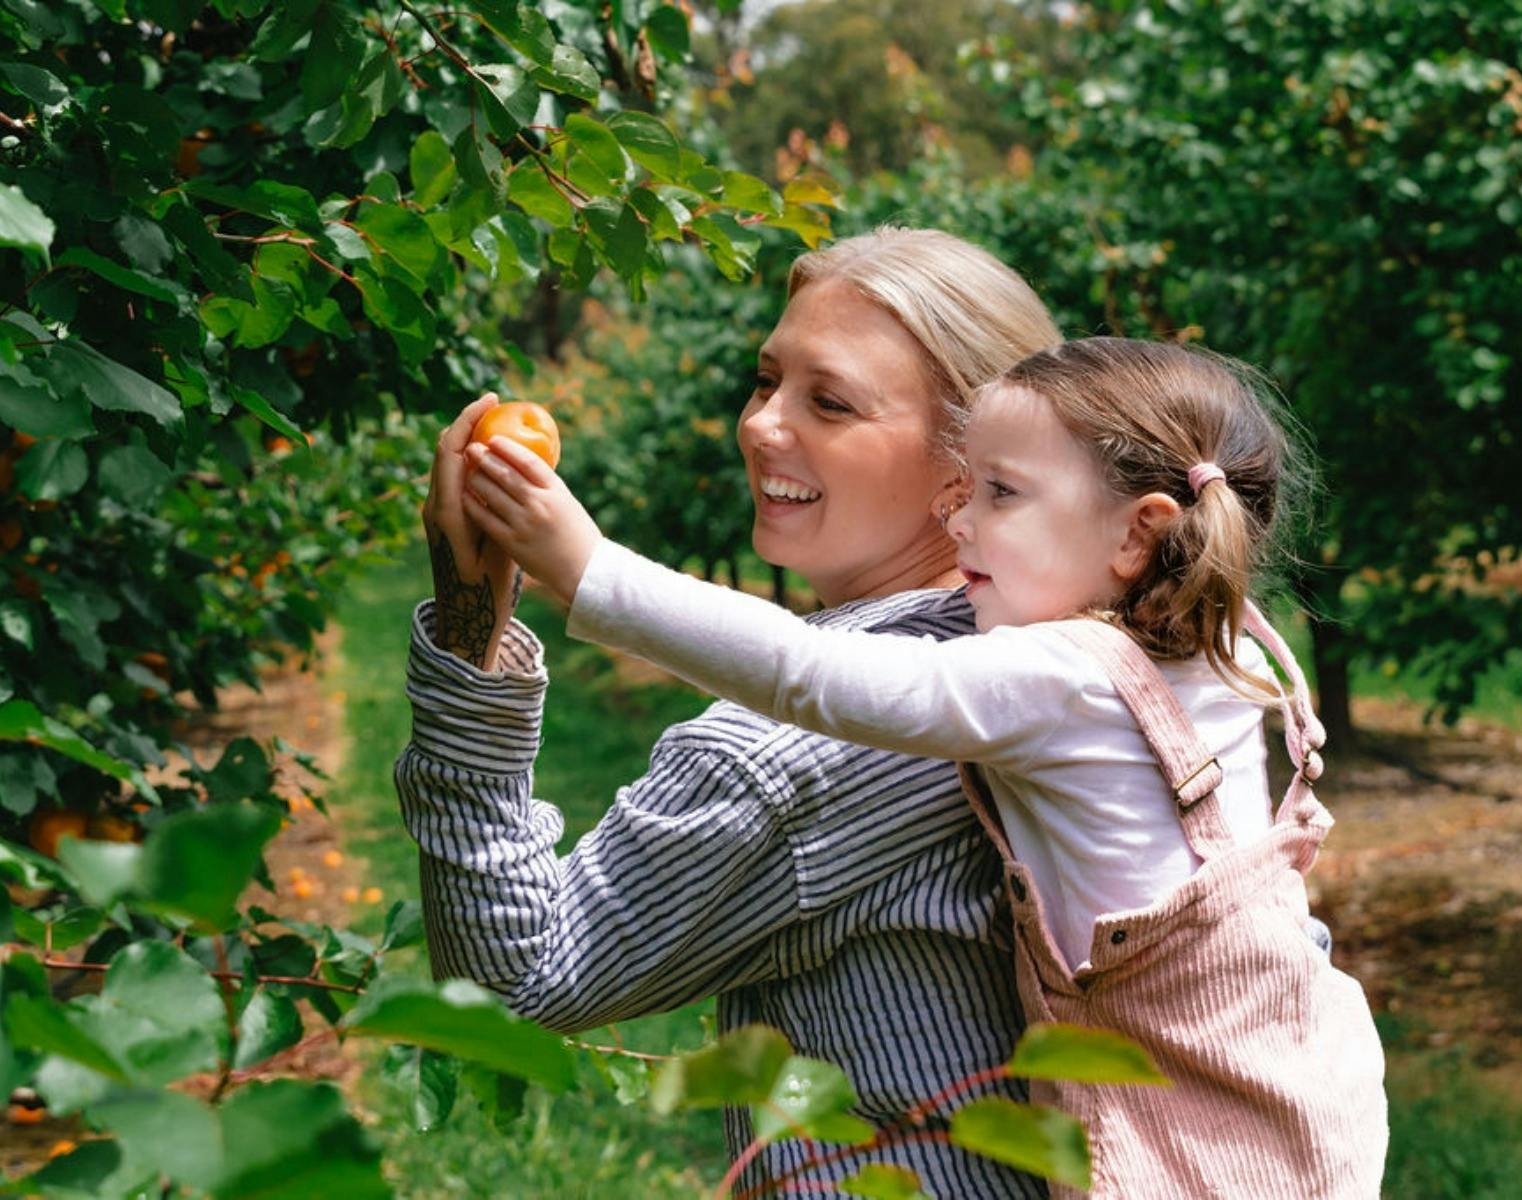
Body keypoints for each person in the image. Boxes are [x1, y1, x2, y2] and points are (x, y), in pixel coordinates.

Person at [461, 337, 1390, 1197]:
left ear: (1136, 535)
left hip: (1169, 1113)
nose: (961, 517)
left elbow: (809, 674)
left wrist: (585, 567)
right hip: (1289, 1081)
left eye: (999, 493)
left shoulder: (1057, 676)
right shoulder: (1236, 650)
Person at [397, 228, 1063, 1196]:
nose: (758, 425)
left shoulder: (802, 750)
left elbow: (517, 980)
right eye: (766, 381)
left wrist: (470, 620)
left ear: (971, 470)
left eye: (827, 401)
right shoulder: (1049, 664)